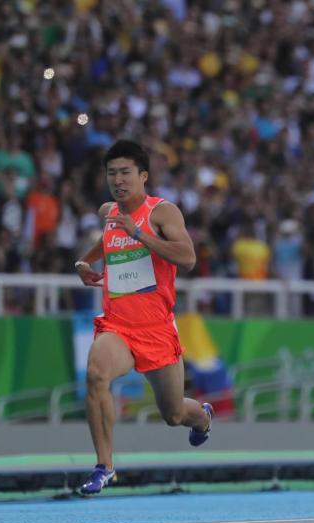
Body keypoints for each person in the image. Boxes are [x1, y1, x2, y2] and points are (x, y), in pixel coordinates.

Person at [73, 140, 213, 495]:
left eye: (125, 173)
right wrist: (84, 263)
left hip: (157, 330)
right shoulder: (109, 212)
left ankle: (204, 417)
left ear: (143, 176)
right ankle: (104, 466)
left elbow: (187, 257)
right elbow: (106, 242)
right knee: (95, 374)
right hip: (118, 326)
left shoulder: (162, 213)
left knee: (174, 415)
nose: (118, 180)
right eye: (111, 173)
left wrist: (139, 233)